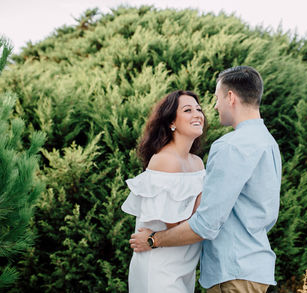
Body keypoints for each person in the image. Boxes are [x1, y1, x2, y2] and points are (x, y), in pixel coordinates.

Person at [130, 66, 282, 293]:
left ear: (230, 97)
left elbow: (206, 224)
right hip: (254, 266)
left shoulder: (230, 146)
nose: (214, 107)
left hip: (234, 271)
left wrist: (153, 240)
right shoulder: (268, 143)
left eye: (216, 98)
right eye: (188, 110)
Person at [121, 90, 207, 292]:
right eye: (188, 110)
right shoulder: (164, 161)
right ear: (171, 122)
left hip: (184, 265)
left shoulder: (197, 163)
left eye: (199, 109)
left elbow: (198, 219)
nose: (197, 114)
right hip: (159, 267)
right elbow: (178, 225)